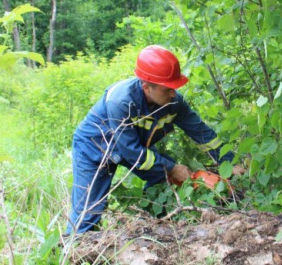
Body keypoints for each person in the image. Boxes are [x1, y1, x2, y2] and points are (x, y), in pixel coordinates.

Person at [66, 45, 246, 234]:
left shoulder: (173, 102)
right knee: (88, 212)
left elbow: (201, 133)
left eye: (174, 88)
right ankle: (74, 250)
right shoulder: (121, 102)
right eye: (166, 89)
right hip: (94, 147)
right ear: (146, 87)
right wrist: (171, 167)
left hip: (133, 148)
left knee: (163, 183)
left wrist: (229, 162)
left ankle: (154, 228)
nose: (173, 94)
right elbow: (132, 152)